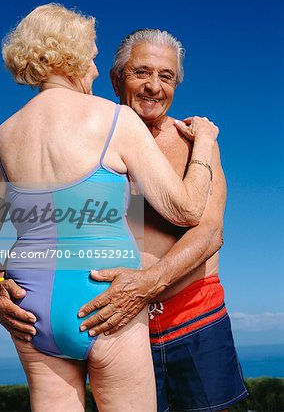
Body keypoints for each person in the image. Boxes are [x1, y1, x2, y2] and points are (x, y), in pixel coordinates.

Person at [0, 6, 218, 412]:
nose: (98, 70)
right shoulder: (115, 119)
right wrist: (204, 140)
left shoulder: (0, 138)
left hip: (29, 307)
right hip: (101, 301)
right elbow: (186, 210)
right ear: (71, 54)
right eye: (94, 56)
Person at [76, 30, 249, 412]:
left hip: (197, 320)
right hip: (121, 329)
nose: (154, 86)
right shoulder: (91, 140)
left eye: (166, 76)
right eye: (142, 72)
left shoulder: (194, 142)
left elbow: (209, 233)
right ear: (116, 78)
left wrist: (146, 284)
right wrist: (2, 281)